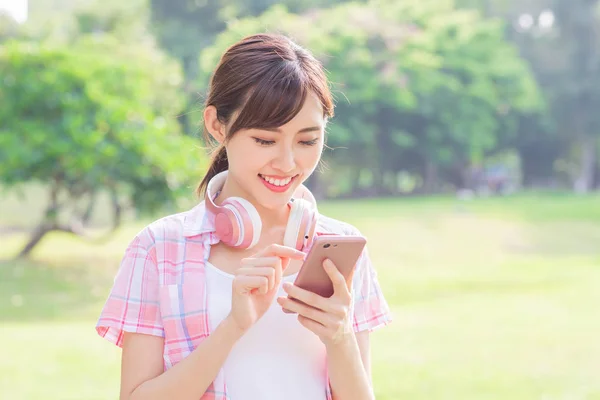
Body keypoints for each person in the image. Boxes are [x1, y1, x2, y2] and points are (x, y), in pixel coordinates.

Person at [96, 33, 392, 400]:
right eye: (265, 141)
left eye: (307, 141)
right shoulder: (158, 249)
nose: (287, 164)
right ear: (217, 125)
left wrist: (340, 336)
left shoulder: (341, 249)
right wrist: (234, 325)